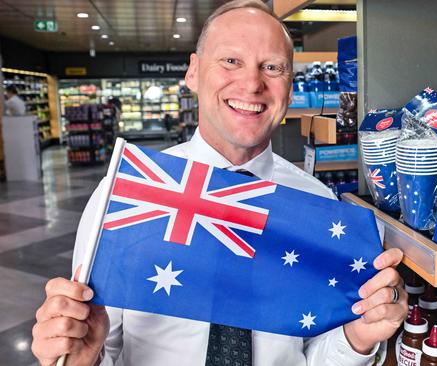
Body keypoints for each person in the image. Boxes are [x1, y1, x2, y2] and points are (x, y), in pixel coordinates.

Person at [31, 1, 408, 365]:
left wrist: (359, 335)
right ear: (193, 72)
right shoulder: (127, 193)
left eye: (273, 67)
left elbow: (314, 353)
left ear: (290, 88)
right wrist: (82, 358)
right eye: (231, 61)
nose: (251, 83)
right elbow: (102, 344)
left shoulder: (317, 206)